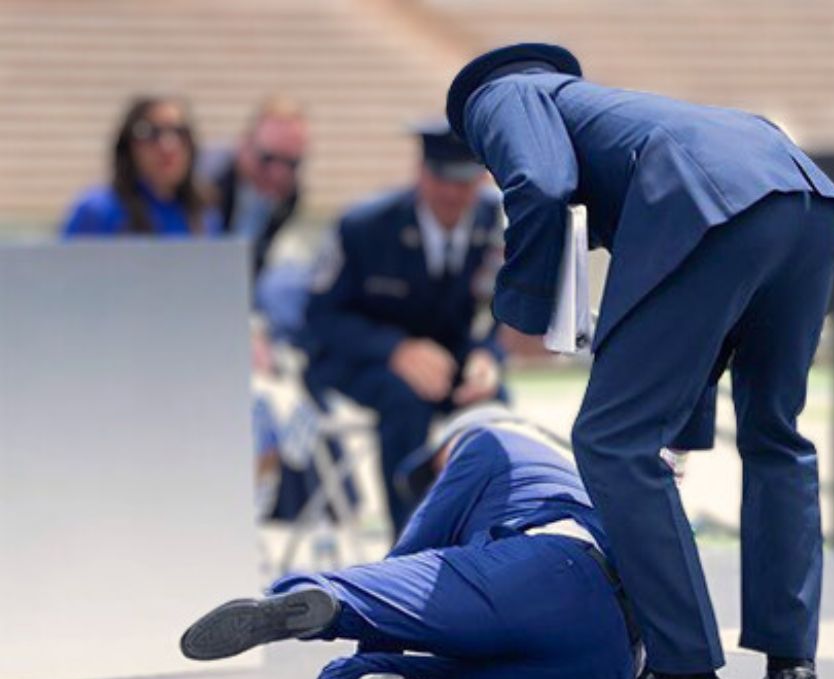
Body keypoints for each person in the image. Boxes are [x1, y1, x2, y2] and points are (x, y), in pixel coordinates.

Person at [446, 43, 834, 679]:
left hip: (712, 203)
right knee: (775, 435)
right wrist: (680, 431)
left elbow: (539, 186)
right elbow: (693, 301)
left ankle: (684, 678)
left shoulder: (502, 96)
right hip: (808, 198)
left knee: (609, 441)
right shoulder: (613, 116)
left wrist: (519, 310)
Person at [180, 407, 638, 679]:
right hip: (605, 665)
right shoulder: (597, 483)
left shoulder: (491, 439)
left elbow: (412, 555)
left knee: (346, 596)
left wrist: (371, 631)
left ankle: (317, 598)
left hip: (542, 570)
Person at [302, 119, 507, 539]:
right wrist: (396, 350)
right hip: (357, 361)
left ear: (482, 178)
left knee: (493, 406)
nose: (452, 193)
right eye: (440, 178)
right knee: (406, 400)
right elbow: (320, 316)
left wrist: (488, 357)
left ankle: (486, 539)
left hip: (446, 361)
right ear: (420, 173)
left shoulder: (495, 225)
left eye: (464, 180)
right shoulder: (364, 226)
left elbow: (501, 308)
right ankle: (410, 543)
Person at [62, 96, 220, 238]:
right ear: (129, 146)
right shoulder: (99, 211)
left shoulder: (203, 214)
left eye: (179, 132)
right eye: (151, 133)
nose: (168, 146)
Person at [203, 95, 309, 277]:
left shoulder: (289, 194)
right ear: (244, 144)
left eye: (291, 163)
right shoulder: (209, 178)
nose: (278, 174)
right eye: (268, 159)